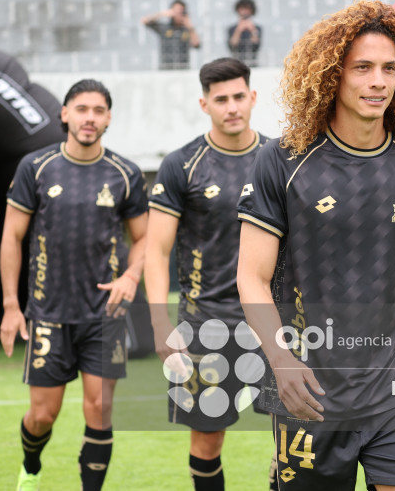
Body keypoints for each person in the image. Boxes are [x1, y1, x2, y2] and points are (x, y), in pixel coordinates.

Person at [237, 0, 395, 490]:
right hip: (311, 395)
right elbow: (252, 278)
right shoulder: (283, 162)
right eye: (362, 67)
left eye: (389, 68)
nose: (378, 81)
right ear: (332, 75)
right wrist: (281, 362)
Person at [0, 79, 149, 490]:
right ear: (65, 114)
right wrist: (12, 306)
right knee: (43, 415)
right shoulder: (35, 167)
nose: (90, 118)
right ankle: (31, 466)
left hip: (105, 316)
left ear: (108, 119)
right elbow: (12, 237)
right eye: (81, 109)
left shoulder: (125, 173)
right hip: (49, 313)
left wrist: (132, 275)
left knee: (100, 409)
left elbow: (144, 238)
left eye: (98, 111)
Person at [144, 58, 274, 491]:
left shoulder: (279, 160)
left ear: (253, 97)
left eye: (239, 96)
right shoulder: (182, 165)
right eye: (221, 99)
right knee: (206, 443)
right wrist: (161, 324)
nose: (232, 107)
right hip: (206, 327)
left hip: (274, 323)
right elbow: (156, 249)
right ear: (205, 104)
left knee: (294, 438)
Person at [141, 0, 201, 70]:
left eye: (181, 11)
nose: (178, 14)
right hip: (166, 67)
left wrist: (190, 27)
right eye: (175, 11)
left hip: (183, 68)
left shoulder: (187, 29)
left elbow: (196, 45)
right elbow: (144, 21)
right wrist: (161, 14)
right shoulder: (164, 27)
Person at [227, 0, 261, 67]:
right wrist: (239, 30)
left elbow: (256, 44)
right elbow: (232, 45)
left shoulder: (257, 28)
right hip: (236, 63)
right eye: (242, 9)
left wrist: (252, 30)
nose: (245, 12)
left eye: (247, 9)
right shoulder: (232, 28)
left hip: (252, 62)